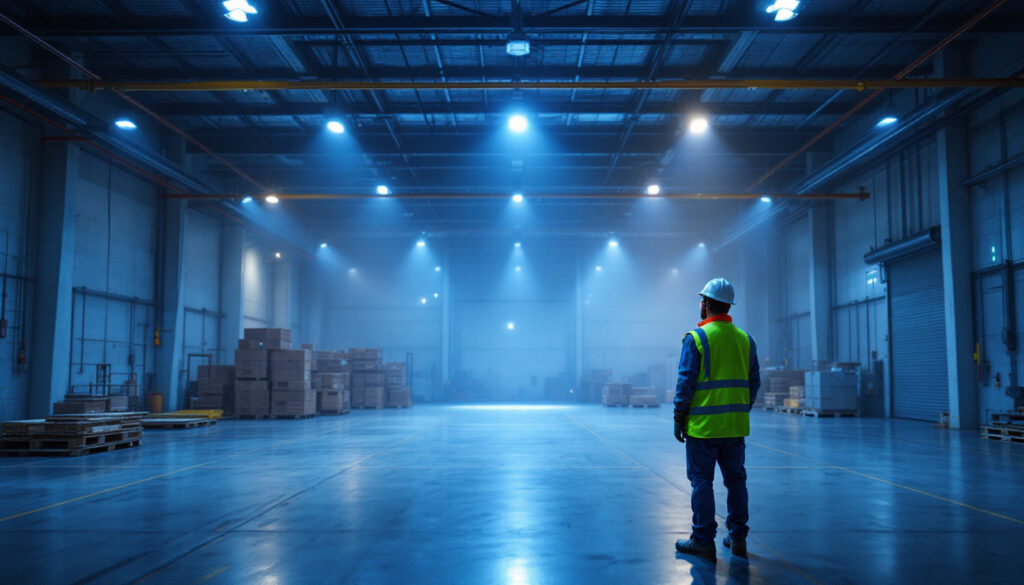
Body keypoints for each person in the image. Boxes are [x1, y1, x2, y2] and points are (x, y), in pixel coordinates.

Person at [673, 278, 760, 563]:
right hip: (734, 428)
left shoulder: (696, 338)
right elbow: (753, 382)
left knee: (701, 482)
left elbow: (685, 383)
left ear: (707, 304)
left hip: (703, 428)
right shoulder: (746, 339)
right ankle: (738, 539)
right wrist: (738, 410)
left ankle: (702, 542)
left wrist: (678, 416)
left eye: (702, 300)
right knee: (736, 481)